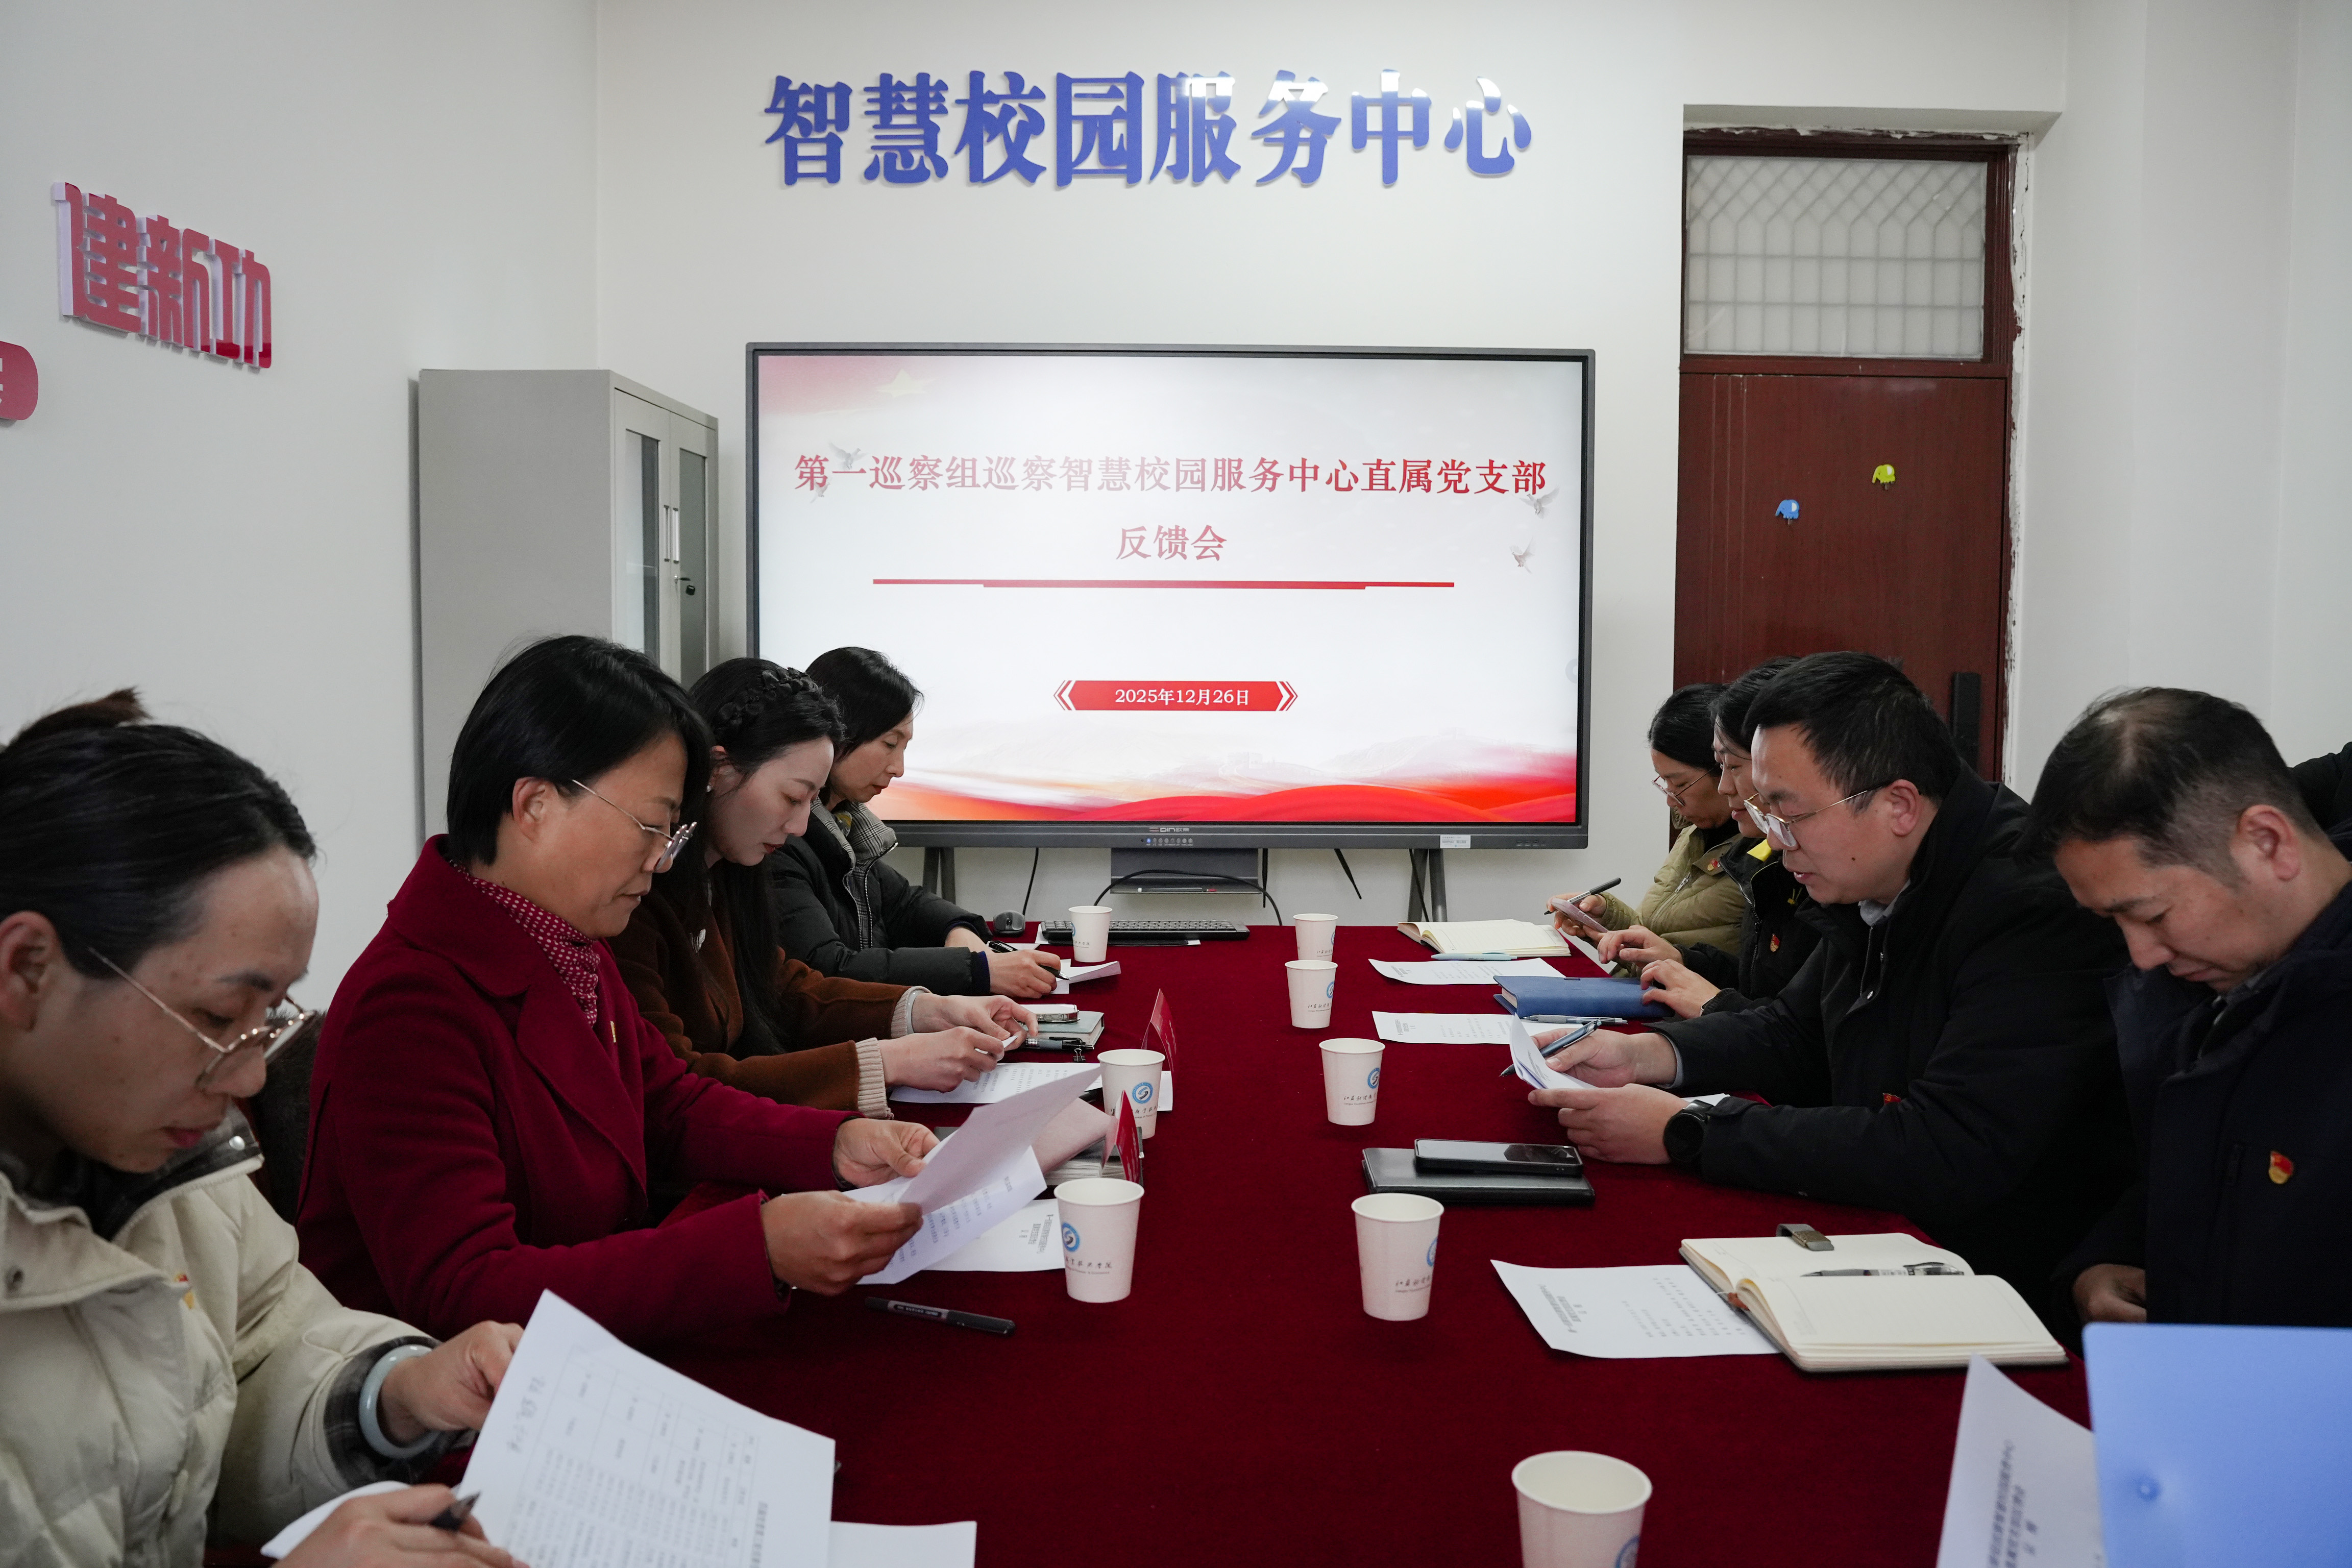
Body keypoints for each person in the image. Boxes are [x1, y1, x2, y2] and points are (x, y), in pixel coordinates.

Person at [0, 692, 522, 1565]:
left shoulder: (176, 1166)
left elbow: (257, 1354)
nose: (249, 1078)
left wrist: (395, 1394)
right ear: (27, 968)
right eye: (218, 1016)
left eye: (270, 1015)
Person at [299, 637, 935, 1346]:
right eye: (650, 826)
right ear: (536, 805)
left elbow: (670, 1106)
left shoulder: (568, 941)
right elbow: (467, 1287)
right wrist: (754, 1249)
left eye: (673, 831)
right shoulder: (409, 1007)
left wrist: (838, 1144)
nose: (663, 860)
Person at [1531, 652, 2134, 1298]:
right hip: (1889, 1231)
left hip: (1997, 1275)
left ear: (1899, 805)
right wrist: (1645, 1054)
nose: (1774, 840)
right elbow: (1795, 1031)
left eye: (1788, 815)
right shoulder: (1872, 870)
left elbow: (1948, 1146)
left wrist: (1688, 1131)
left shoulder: (2027, 905)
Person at [2026, 689, 2352, 1328]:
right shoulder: (2214, 996)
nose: (2142, 956)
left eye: (2153, 915)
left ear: (2266, 841)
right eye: (2113, 922)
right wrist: (2098, 1266)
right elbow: (2191, 1180)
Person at [614, 658, 1037, 1116]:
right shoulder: (633, 897)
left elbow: (781, 987)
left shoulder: (727, 872)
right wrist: (886, 1061)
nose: (800, 826)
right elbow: (675, 1091)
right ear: (718, 769)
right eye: (792, 798)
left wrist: (928, 1010)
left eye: (811, 802)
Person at [770, 647, 1060, 998]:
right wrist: (976, 971)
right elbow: (826, 968)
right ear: (838, 733)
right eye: (889, 744)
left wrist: (958, 931)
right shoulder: (780, 839)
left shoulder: (846, 825)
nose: (899, 769)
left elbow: (905, 904)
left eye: (903, 748)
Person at [1627, 658, 1821, 1019]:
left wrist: (1713, 1004)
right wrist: (1683, 960)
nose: (1725, 786)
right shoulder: (1742, 851)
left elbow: (1799, 1032)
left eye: (1732, 767)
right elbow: (1758, 986)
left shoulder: (1795, 864)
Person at [1551, 684, 1745, 964]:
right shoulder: (1693, 834)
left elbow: (1744, 979)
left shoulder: (1766, 854)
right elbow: (1655, 934)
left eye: (1680, 784)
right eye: (1664, 782)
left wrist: (1674, 962)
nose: (1671, 800)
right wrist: (1605, 915)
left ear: (1725, 769)